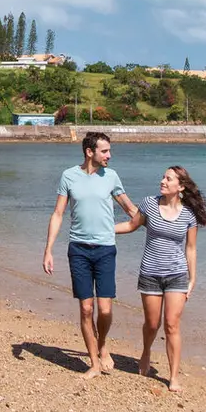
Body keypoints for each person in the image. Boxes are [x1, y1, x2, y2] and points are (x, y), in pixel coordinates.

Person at [42, 131, 138, 378]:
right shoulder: (68, 176)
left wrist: (161, 223)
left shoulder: (112, 176)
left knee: (104, 310)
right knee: (86, 309)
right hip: (78, 250)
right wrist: (48, 250)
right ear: (89, 152)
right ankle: (94, 363)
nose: (109, 155)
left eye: (109, 150)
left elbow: (130, 210)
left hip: (106, 250)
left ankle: (102, 343)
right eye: (105, 151)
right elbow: (58, 214)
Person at [115, 165, 206, 392]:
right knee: (152, 323)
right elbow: (131, 225)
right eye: (163, 177)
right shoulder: (149, 203)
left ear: (181, 186)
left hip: (177, 275)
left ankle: (174, 376)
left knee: (171, 325)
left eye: (168, 179)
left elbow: (191, 249)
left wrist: (192, 279)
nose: (163, 181)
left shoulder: (189, 215)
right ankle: (146, 351)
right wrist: (104, 230)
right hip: (150, 273)